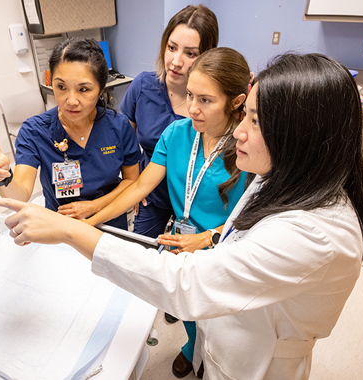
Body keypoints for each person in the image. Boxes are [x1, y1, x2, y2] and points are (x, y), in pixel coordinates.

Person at [0, 53, 363, 380]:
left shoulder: (313, 233)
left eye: (254, 120)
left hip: (257, 360)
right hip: (222, 324)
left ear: (299, 136)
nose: (240, 132)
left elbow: (187, 287)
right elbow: (153, 196)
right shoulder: (274, 177)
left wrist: (72, 230)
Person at [87, 46, 251, 378]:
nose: (192, 108)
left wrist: (207, 238)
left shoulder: (248, 148)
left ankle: (211, 357)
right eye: (190, 95)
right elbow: (138, 187)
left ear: (236, 101)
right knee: (184, 307)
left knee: (221, 322)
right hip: (182, 240)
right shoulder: (177, 134)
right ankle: (191, 347)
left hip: (227, 246)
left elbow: (253, 220)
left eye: (206, 100)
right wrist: (89, 223)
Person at [0, 37, 141, 230]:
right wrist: (3, 176)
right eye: (61, 87)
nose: (71, 100)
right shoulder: (35, 131)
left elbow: (131, 180)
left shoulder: (118, 126)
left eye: (83, 89)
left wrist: (93, 207)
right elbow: (21, 194)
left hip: (110, 223)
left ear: (101, 89)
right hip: (59, 228)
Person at [121, 4, 219, 238]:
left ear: (207, 55)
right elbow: (123, 139)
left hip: (198, 200)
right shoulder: (143, 86)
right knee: (140, 249)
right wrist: (134, 183)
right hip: (152, 192)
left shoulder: (215, 99)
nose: (176, 61)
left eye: (190, 53)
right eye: (172, 48)